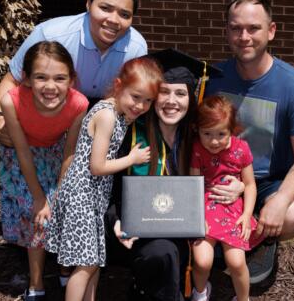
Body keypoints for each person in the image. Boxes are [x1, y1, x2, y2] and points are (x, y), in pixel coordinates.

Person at [105, 49, 245, 301]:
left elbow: (232, 164)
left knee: (174, 254)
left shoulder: (200, 137)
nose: (172, 101)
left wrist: (239, 186)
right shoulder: (131, 133)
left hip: (186, 225)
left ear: (191, 98)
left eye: (180, 93)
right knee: (162, 252)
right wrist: (116, 218)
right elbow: (109, 186)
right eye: (164, 92)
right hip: (141, 229)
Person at [205, 0, 294, 284]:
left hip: (270, 181)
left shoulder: (292, 85)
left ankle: (263, 240)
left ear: (271, 31)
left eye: (253, 28)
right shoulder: (214, 79)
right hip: (222, 175)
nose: (244, 36)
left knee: (292, 213)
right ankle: (233, 232)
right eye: (235, 28)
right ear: (226, 31)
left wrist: (280, 199)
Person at [44, 56, 163, 301]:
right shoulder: (107, 116)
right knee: (86, 264)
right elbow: (97, 166)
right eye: (136, 96)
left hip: (92, 197)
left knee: (94, 261)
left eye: (148, 100)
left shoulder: (117, 113)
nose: (140, 105)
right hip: (82, 196)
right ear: (118, 86)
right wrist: (132, 158)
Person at [0, 0, 147, 146]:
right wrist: (1, 119)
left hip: (103, 120)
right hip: (46, 111)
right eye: (105, 8)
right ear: (89, 4)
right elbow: (12, 80)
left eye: (124, 14)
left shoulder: (136, 49)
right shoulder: (50, 35)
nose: (114, 20)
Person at [0, 41, 89, 301]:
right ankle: (36, 284)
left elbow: (70, 151)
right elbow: (23, 152)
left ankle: (63, 266)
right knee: (34, 212)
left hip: (56, 153)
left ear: (72, 80)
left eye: (60, 78)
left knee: (63, 208)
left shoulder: (79, 104)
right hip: (21, 156)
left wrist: (60, 192)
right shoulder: (11, 101)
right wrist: (40, 198)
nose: (51, 87)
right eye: (41, 77)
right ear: (26, 79)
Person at [190, 95, 263, 301]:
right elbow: (193, 185)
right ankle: (201, 292)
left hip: (233, 210)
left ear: (232, 130)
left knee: (237, 261)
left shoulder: (241, 149)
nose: (214, 141)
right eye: (207, 134)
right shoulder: (197, 148)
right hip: (204, 207)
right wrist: (196, 215)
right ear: (198, 130)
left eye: (221, 134)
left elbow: (249, 185)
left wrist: (247, 214)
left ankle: (243, 298)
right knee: (202, 260)